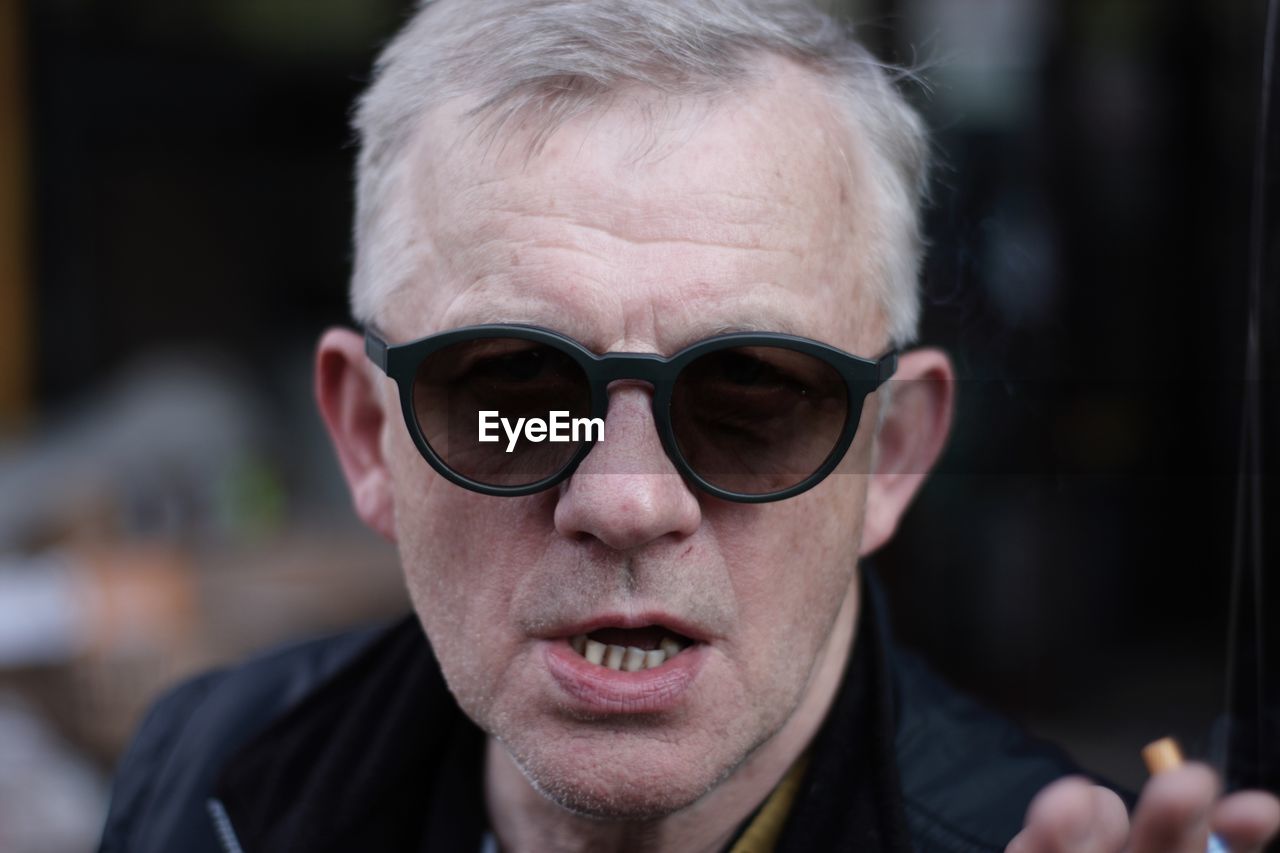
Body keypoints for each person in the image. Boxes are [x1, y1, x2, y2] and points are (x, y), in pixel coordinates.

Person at [98, 1, 1280, 851]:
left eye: (749, 398)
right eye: (512, 390)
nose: (625, 499)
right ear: (367, 439)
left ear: (894, 451)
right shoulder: (210, 764)